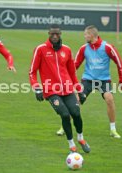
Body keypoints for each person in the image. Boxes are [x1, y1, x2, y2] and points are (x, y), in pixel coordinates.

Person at [29, 24, 90, 153]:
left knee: (76, 113)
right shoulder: (40, 49)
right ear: (48, 34)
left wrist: (79, 90)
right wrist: (37, 88)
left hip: (68, 90)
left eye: (57, 34)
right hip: (51, 91)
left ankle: (80, 138)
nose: (55, 36)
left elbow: (72, 74)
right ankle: (71, 144)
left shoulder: (67, 50)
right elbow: (32, 72)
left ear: (60, 34)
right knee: (65, 115)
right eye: (52, 34)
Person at [74, 25, 122, 139]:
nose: (84, 36)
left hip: (103, 80)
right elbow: (74, 65)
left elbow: (119, 62)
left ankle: (113, 129)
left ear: (92, 35)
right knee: (75, 100)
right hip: (88, 79)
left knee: (109, 99)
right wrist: (67, 78)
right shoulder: (84, 48)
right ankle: (65, 125)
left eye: (86, 34)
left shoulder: (107, 47)